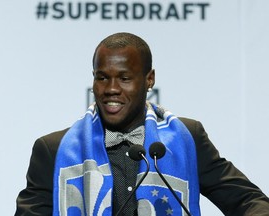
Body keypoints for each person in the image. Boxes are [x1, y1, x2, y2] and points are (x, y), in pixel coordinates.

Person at [15, 32, 269, 216]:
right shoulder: (53, 150)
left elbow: (248, 200)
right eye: (102, 78)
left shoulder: (186, 138)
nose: (111, 89)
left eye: (124, 78)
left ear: (149, 80)